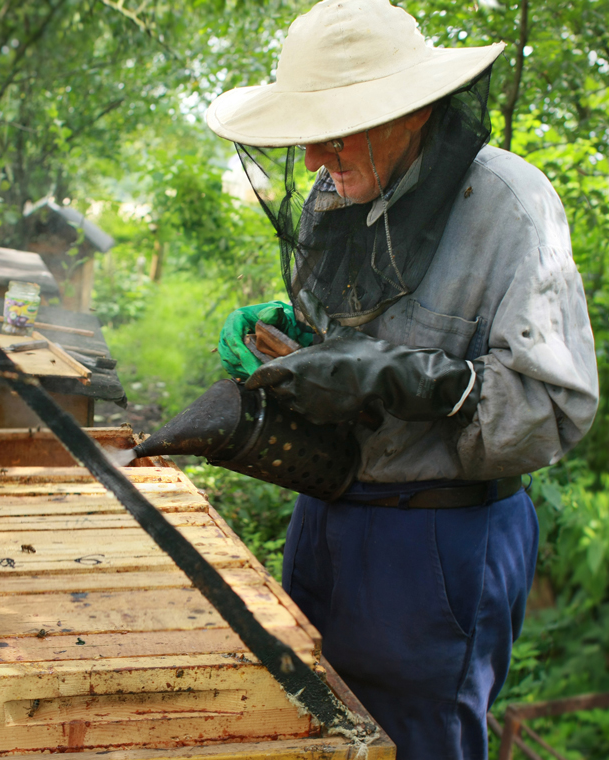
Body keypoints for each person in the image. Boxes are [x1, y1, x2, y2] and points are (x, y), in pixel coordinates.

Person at [206, 0, 600, 757]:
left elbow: (551, 408)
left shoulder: (511, 207)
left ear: (411, 112)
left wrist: (403, 380)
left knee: (414, 740)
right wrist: (289, 333)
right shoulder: (336, 194)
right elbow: (354, 329)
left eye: (336, 129)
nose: (316, 157)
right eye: (306, 136)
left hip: (440, 537)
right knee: (317, 727)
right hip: (328, 512)